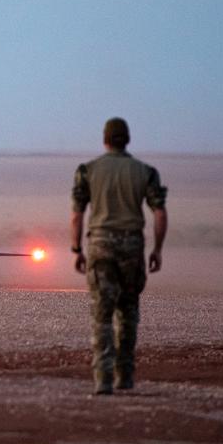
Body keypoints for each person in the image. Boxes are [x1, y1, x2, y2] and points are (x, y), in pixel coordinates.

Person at [70, 117, 168, 395]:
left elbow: (77, 214)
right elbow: (159, 213)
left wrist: (76, 249)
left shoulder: (87, 171)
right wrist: (157, 250)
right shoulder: (145, 172)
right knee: (128, 313)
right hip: (132, 250)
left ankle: (103, 379)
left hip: (100, 248)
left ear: (105, 139)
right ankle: (124, 375)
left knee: (101, 315)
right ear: (127, 139)